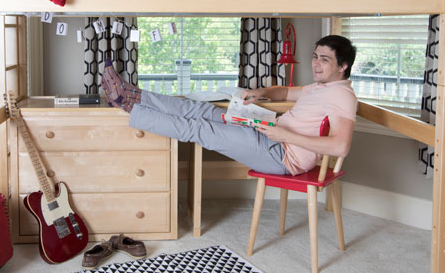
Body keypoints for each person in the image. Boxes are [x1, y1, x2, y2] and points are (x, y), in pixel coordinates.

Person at [101, 35, 358, 176]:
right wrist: (260, 92)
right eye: (315, 57)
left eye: (324, 60)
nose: (315, 64)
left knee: (199, 128)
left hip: (281, 155)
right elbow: (286, 91)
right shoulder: (320, 87)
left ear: (343, 66)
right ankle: (135, 96)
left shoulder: (342, 96)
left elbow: (341, 147)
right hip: (269, 133)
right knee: (203, 110)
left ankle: (131, 108)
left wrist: (284, 135)